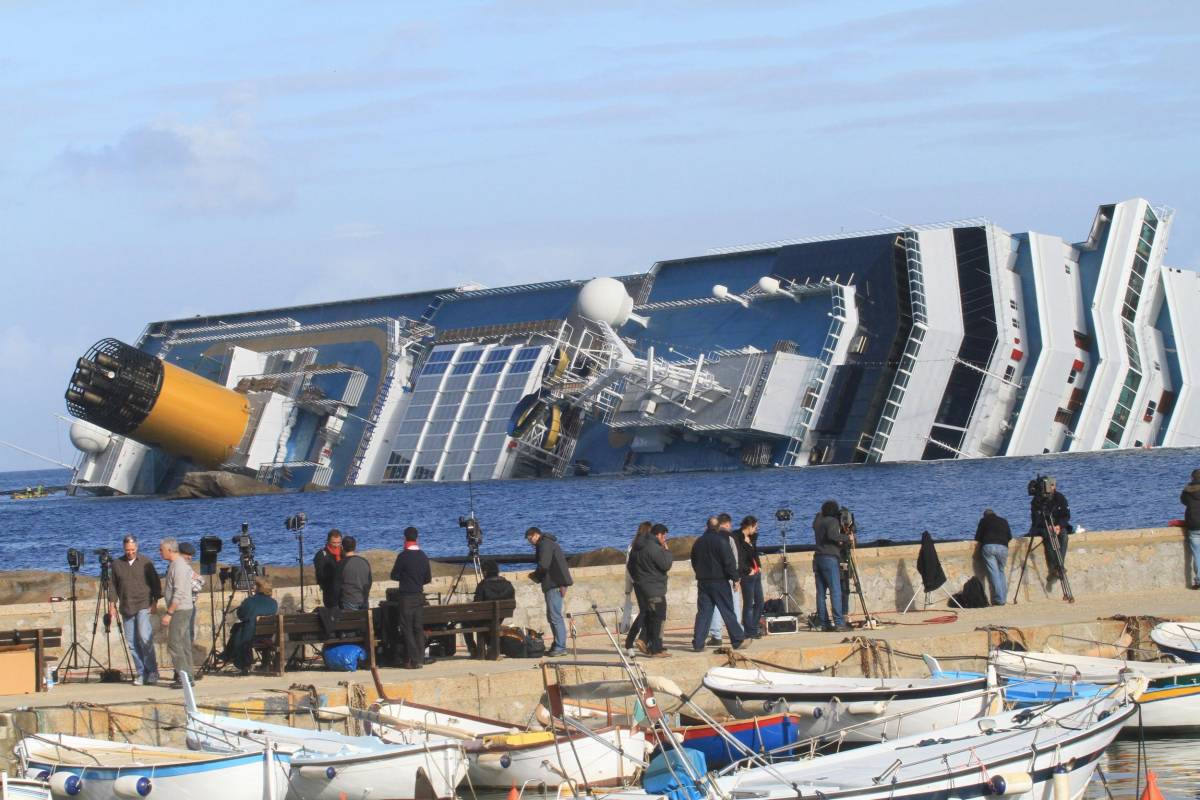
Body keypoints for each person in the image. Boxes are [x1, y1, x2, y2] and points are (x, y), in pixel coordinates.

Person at [109, 534, 161, 686]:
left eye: (132, 549)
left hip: (144, 604)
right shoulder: (117, 564)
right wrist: (111, 605)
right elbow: (113, 586)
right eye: (127, 550)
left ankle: (152, 671)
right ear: (123, 549)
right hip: (126, 606)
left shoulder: (146, 562)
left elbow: (155, 583)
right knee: (132, 642)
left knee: (145, 638)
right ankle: (141, 672)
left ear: (136, 547)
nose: (130, 552)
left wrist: (155, 602)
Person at [691, 516, 745, 651]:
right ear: (718, 527)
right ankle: (737, 640)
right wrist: (735, 578)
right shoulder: (721, 541)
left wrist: (700, 574)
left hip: (703, 582)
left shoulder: (698, 542)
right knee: (727, 611)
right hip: (720, 581)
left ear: (706, 527)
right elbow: (729, 562)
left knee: (703, 613)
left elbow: (694, 561)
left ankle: (698, 644)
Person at [525, 527, 573, 657]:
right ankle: (557, 644)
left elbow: (544, 565)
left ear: (536, 535)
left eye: (530, 539)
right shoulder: (547, 543)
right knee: (552, 616)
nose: (530, 542)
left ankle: (560, 646)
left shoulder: (544, 544)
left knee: (555, 616)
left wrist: (536, 576)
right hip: (555, 583)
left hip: (554, 584)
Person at [389, 527, 432, 669]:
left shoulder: (403, 556)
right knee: (418, 628)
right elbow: (428, 578)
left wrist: (405, 578)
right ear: (417, 538)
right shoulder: (423, 556)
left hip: (406, 596)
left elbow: (394, 575)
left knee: (406, 628)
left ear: (404, 539)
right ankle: (420, 658)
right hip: (419, 595)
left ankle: (413, 659)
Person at [630, 523, 673, 657]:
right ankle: (656, 649)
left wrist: (639, 579)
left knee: (650, 616)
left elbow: (630, 567)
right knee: (659, 618)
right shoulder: (654, 548)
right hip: (655, 588)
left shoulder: (637, 547)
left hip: (642, 587)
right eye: (663, 535)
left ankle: (645, 641)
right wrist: (666, 551)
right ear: (657, 535)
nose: (665, 538)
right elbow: (666, 565)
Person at [159, 537, 196, 689]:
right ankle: (189, 677)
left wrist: (169, 613)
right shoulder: (176, 564)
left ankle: (184, 677)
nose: (160, 552)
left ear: (169, 550)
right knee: (184, 644)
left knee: (174, 644)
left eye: (161, 549)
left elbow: (179, 592)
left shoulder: (179, 566)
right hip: (183, 609)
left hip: (180, 610)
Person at [223, 577, 278, 674]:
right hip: (267, 635)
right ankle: (265, 663)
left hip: (251, 636)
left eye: (255, 585)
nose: (253, 586)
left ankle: (243, 663)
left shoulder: (250, 601)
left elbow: (241, 615)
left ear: (258, 587)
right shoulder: (274, 603)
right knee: (241, 629)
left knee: (238, 631)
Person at [813, 500, 850, 632]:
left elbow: (817, 520)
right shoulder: (832, 521)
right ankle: (839, 623)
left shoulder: (818, 522)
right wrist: (847, 537)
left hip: (817, 558)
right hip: (829, 558)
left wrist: (820, 513)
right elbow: (832, 535)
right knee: (835, 591)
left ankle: (824, 623)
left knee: (821, 593)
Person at [466, 560, 515, 658]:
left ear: (485, 572)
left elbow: (477, 605)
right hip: (500, 618)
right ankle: (490, 647)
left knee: (465, 622)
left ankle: (473, 649)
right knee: (489, 622)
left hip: (483, 619)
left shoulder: (483, 585)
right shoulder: (508, 585)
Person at [706, 513, 742, 646]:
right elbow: (734, 559)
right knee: (734, 605)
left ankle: (716, 635)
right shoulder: (730, 537)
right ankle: (738, 632)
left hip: (713, 577)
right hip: (729, 577)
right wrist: (736, 577)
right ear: (725, 524)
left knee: (715, 607)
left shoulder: (708, 538)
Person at [1030, 478, 1072, 579]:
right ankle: (1055, 567)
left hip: (1057, 526)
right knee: (1048, 537)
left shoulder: (1060, 497)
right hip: (1043, 527)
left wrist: (1058, 526)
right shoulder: (1037, 500)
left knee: (1064, 536)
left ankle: (1059, 566)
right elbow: (1036, 519)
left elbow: (1066, 515)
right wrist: (1048, 526)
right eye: (1049, 485)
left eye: (1052, 485)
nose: (1051, 487)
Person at [624, 522, 653, 653]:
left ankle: (633, 641)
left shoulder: (631, 546)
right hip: (645, 583)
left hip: (636, 583)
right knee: (648, 612)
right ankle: (639, 639)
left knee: (645, 612)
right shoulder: (645, 546)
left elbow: (628, 569)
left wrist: (629, 587)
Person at [974, 509, 1012, 605]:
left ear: (984, 516)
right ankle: (1003, 598)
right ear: (995, 514)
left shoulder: (984, 521)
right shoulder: (1004, 521)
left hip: (989, 546)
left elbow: (977, 537)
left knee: (994, 573)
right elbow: (1010, 536)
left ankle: (999, 600)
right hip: (1003, 547)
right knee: (1001, 572)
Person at [736, 516, 764, 638]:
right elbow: (738, 558)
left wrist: (759, 565)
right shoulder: (737, 537)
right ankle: (749, 630)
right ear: (749, 526)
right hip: (747, 574)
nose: (756, 529)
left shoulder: (752, 538)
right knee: (748, 603)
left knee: (760, 601)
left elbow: (755, 553)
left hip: (756, 572)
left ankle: (753, 626)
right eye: (755, 527)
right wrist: (748, 570)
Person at [333, 535, 372, 611]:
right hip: (363, 601)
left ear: (342, 547)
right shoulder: (364, 562)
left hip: (347, 602)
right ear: (355, 547)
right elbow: (369, 582)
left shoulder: (341, 564)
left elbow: (336, 586)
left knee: (349, 622)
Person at [177, 542, 203, 645]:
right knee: (186, 634)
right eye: (187, 555)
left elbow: (202, 580)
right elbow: (197, 587)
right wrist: (198, 579)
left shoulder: (188, 568)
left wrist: (198, 579)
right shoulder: (182, 569)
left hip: (190, 604)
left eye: (191, 555)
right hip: (185, 605)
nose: (190, 557)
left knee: (189, 633)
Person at [313, 529, 344, 609]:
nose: (336, 545)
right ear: (328, 541)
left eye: (338, 542)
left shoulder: (344, 552)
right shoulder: (321, 555)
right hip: (330, 593)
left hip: (344, 592)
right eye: (334, 543)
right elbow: (320, 575)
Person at [1180, 469, 1200, 590]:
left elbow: (1183, 501)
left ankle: (1198, 580)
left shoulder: (1187, 490)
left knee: (1197, 553)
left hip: (1193, 524)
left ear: (1192, 478)